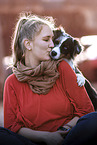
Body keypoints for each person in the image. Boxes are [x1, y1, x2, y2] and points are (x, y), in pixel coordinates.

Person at [3, 12, 97, 145]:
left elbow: (86, 110)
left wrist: (64, 130)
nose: (52, 45)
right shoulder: (12, 83)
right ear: (28, 44)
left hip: (68, 138)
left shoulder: (63, 68)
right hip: (32, 142)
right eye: (47, 40)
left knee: (94, 119)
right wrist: (46, 137)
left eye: (53, 39)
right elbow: (12, 126)